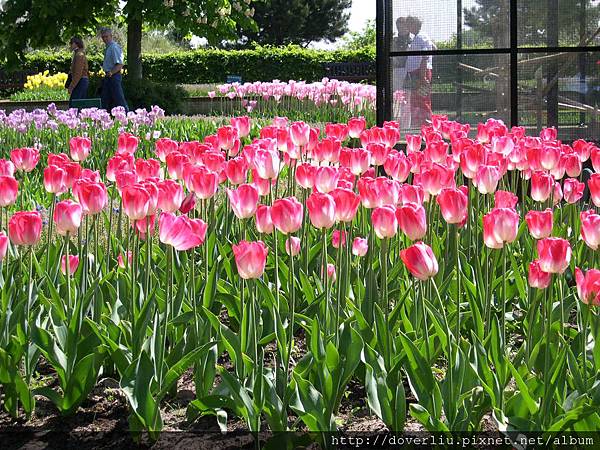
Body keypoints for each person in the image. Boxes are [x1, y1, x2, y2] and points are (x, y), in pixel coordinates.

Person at [405, 16, 435, 128]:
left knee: (422, 99)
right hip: (418, 73)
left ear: (415, 24)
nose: (407, 27)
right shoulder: (420, 37)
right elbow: (433, 48)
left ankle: (426, 126)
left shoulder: (420, 38)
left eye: (409, 24)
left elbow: (425, 56)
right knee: (417, 99)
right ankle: (419, 125)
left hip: (420, 73)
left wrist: (422, 77)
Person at [99, 27, 129, 112]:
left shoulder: (114, 47)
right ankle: (103, 120)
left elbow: (120, 64)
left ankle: (128, 118)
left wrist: (111, 73)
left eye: (106, 36)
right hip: (109, 76)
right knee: (104, 101)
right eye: (103, 37)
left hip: (114, 76)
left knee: (119, 100)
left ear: (111, 36)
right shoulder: (108, 47)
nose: (104, 39)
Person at [392, 17, 412, 131]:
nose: (400, 28)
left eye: (402, 25)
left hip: (409, 71)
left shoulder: (413, 39)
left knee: (407, 100)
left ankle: (406, 127)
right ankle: (395, 125)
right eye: (398, 25)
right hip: (397, 71)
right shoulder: (394, 40)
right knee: (397, 99)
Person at [67, 37, 89, 108]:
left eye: (71, 43)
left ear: (76, 44)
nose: (70, 45)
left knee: (75, 105)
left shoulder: (79, 55)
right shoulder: (78, 54)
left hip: (81, 81)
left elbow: (78, 73)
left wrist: (71, 86)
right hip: (81, 81)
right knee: (77, 104)